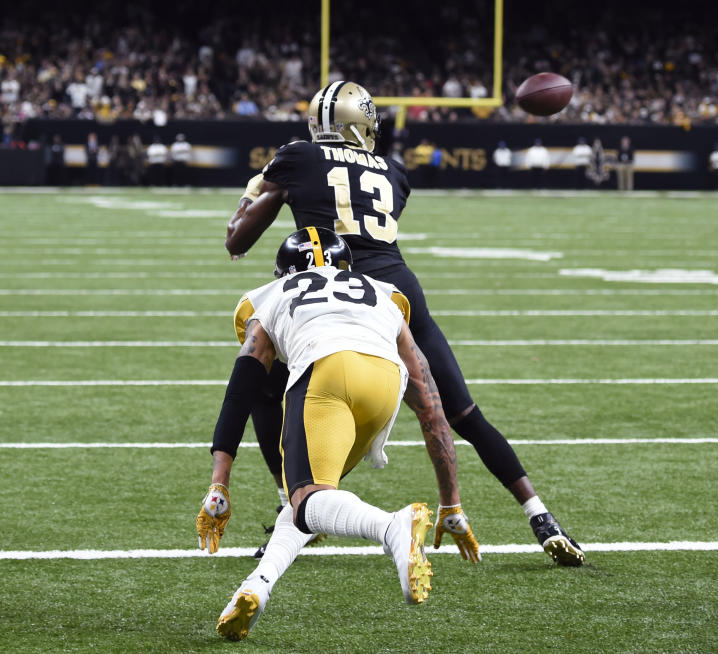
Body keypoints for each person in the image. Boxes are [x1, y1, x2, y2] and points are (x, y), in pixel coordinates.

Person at [225, 81, 584, 567]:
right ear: (365, 123)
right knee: (459, 412)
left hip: (341, 292)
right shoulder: (394, 170)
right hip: (401, 289)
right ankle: (539, 515)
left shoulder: (298, 156)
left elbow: (237, 240)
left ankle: (293, 506)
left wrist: (267, 190)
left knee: (270, 391)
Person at [197, 227, 480, 640]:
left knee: (308, 498)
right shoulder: (382, 294)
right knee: (311, 499)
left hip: (326, 372)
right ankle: (255, 587)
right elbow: (431, 407)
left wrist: (219, 481)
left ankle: (392, 527)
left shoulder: (272, 294)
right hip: (384, 385)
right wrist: (451, 503)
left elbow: (243, 388)